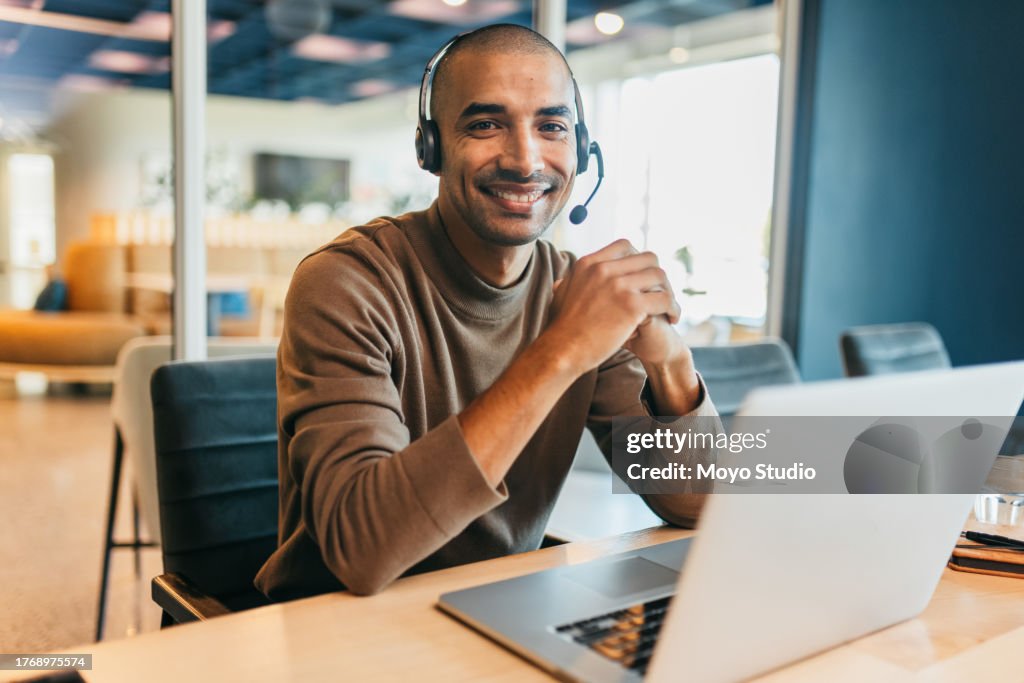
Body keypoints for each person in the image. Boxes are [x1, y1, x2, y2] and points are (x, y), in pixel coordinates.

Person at [254, 24, 717, 600]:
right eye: (485, 125)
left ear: (581, 149)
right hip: (341, 633)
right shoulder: (348, 281)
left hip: (494, 614)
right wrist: (562, 350)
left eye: (552, 126)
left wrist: (671, 364)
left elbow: (701, 503)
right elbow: (361, 550)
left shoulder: (574, 290)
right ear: (433, 148)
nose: (526, 160)